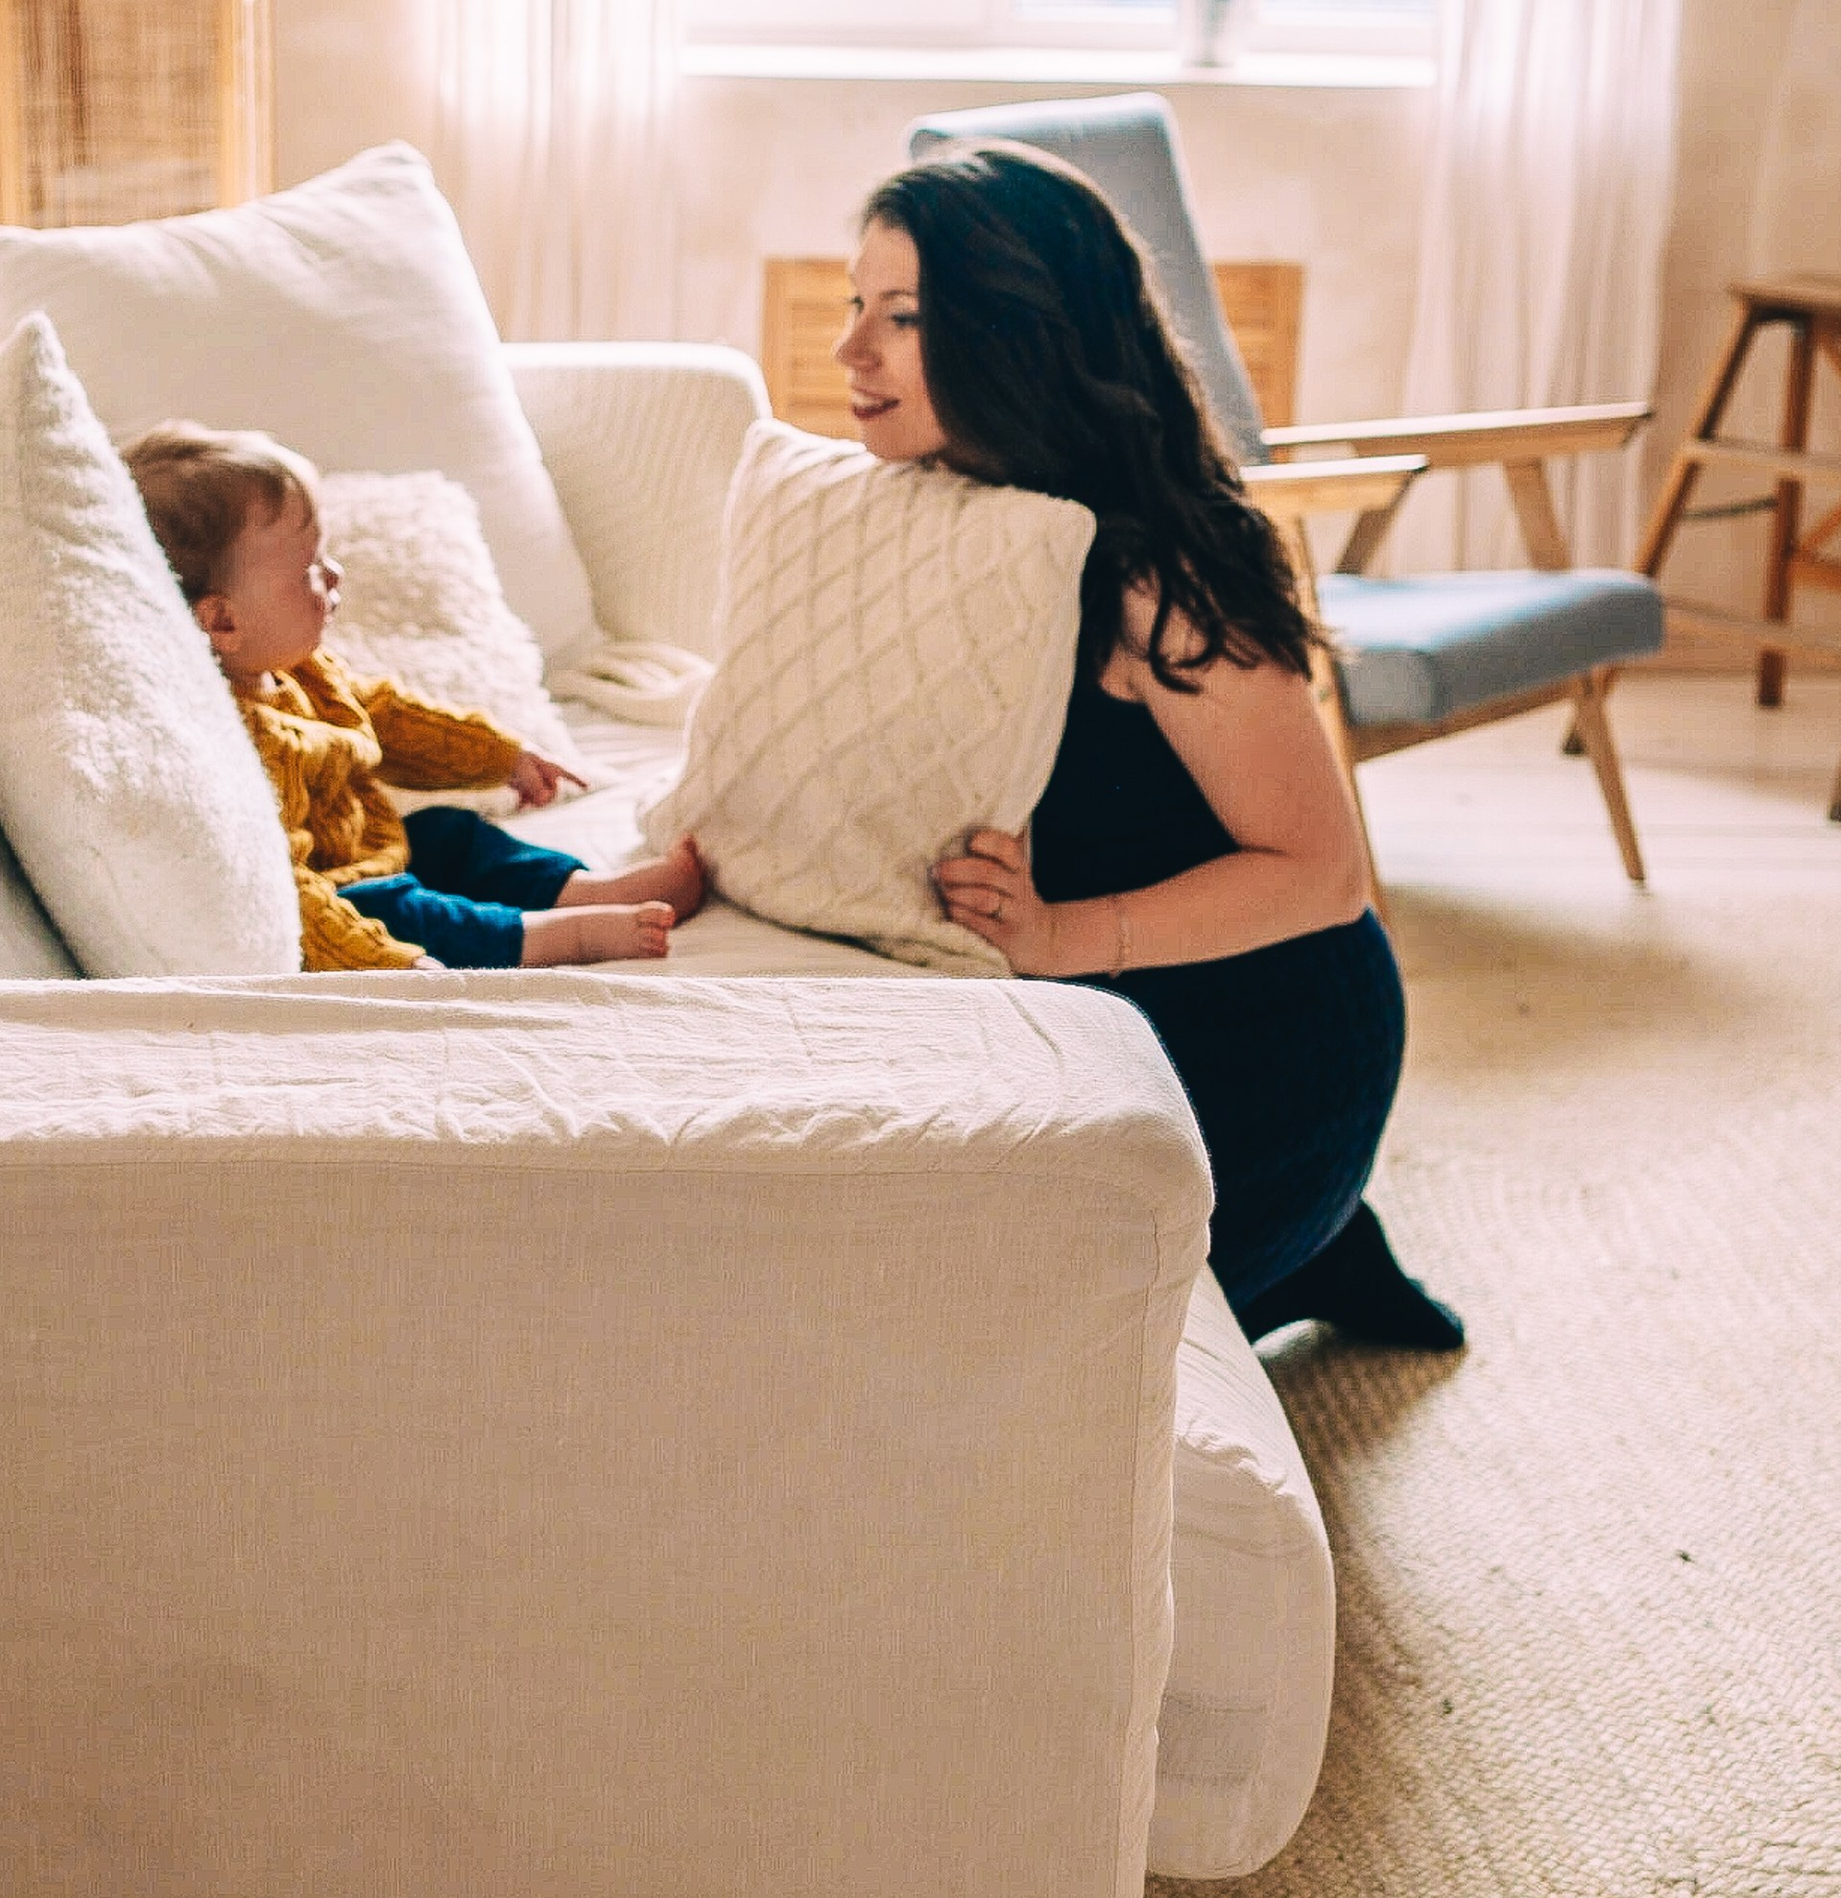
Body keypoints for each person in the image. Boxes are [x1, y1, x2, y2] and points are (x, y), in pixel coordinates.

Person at [837, 147, 1462, 1352]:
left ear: (1018, 334)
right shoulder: (931, 507)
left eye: (901, 317)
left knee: (1049, 1329)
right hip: (1077, 1000)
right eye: (853, 305)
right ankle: (1322, 1246)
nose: (849, 350)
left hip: (1260, 1035)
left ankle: (1322, 1238)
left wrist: (1061, 939)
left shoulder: (1159, 574)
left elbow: (1321, 874)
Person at [125, 423, 708, 973]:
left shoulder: (302, 672)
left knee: (450, 833)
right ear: (222, 621)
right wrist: (387, 963)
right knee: (411, 914)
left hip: (378, 846)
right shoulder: (229, 744)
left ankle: (584, 890)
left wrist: (499, 756)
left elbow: (388, 719)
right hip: (337, 898)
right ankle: (563, 937)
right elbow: (282, 888)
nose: (335, 575)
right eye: (308, 571)